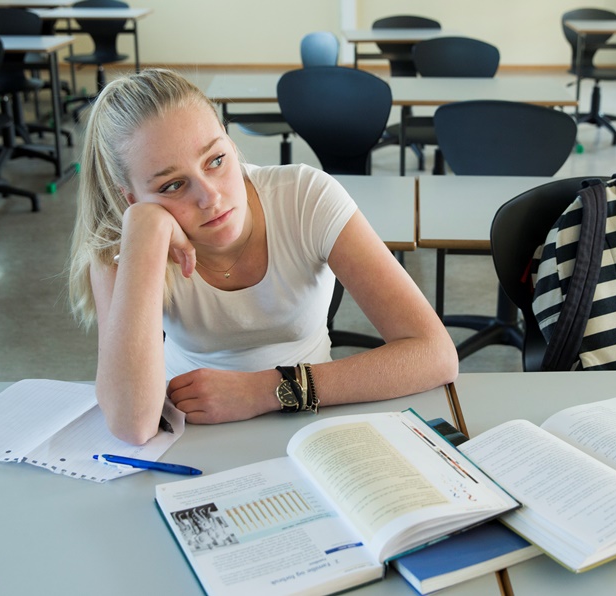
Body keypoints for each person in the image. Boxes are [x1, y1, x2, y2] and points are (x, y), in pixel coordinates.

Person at [67, 69, 457, 445]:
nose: (210, 197)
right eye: (172, 185)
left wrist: (266, 390)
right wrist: (145, 235)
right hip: (189, 431)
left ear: (230, 144)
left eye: (216, 160)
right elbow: (133, 426)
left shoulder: (305, 196)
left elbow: (434, 354)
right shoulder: (120, 243)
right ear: (131, 199)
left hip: (310, 417)